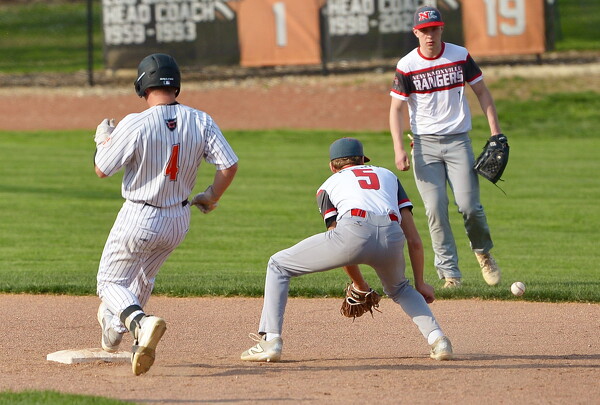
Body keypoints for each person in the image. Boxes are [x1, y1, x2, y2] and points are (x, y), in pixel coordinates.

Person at [241, 137, 453, 362]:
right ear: (362, 160)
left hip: (353, 230)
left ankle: (271, 340)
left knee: (278, 265)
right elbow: (414, 240)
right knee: (401, 288)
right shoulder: (388, 175)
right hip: (392, 234)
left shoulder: (327, 185)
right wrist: (420, 283)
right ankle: (439, 340)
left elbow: (340, 245)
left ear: (333, 166)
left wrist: (360, 284)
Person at [93, 53, 238, 375]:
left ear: (142, 85)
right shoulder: (201, 120)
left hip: (139, 216)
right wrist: (211, 196)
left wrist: (103, 140)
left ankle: (140, 323)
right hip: (178, 219)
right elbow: (228, 166)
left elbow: (102, 169)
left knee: (109, 282)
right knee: (143, 277)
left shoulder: (135, 122)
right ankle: (117, 331)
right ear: (177, 85)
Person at [389, 6, 503, 288]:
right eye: (424, 30)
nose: (429, 35)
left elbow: (482, 92)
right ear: (416, 32)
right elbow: (395, 109)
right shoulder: (407, 65)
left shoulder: (459, 55)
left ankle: (483, 253)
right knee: (435, 210)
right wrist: (398, 149)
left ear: (441, 29)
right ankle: (450, 274)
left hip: (458, 141)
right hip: (424, 146)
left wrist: (496, 132)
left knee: (469, 206)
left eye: (434, 29)